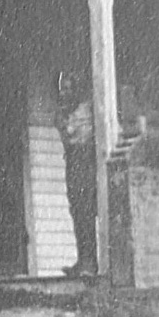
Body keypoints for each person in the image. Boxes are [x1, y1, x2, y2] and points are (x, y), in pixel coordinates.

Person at [56, 68, 97, 276]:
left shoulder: (87, 110)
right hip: (73, 163)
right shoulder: (64, 114)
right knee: (77, 212)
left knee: (87, 212)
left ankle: (91, 263)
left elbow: (84, 138)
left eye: (67, 89)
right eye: (61, 89)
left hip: (87, 162)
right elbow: (66, 139)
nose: (63, 93)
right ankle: (83, 260)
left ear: (76, 90)